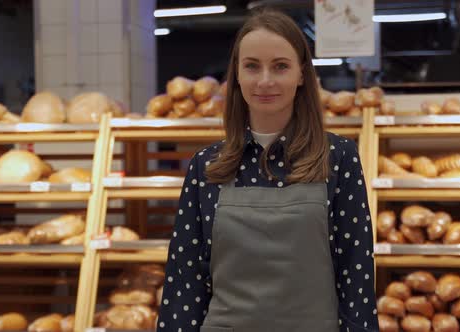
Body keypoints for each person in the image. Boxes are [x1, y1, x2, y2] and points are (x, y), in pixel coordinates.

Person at [157, 9, 378, 332]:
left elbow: (355, 274)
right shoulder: (206, 166)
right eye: (251, 66)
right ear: (237, 74)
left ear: (301, 74)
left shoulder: (338, 158)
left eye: (280, 66)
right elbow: (185, 283)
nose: (264, 81)